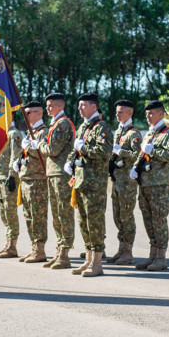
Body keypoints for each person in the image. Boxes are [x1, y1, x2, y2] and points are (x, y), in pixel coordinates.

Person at [24, 92, 75, 269]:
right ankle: (60, 250)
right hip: (53, 173)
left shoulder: (62, 124)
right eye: (47, 106)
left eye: (50, 105)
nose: (47, 109)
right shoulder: (55, 124)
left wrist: (38, 145)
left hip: (61, 174)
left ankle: (65, 253)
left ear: (60, 106)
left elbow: (52, 149)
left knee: (64, 214)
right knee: (57, 215)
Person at [64, 93, 113, 277]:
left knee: (95, 223)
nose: (79, 108)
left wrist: (83, 148)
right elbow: (76, 150)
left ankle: (97, 262)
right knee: (83, 222)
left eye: (83, 105)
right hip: (81, 180)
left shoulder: (101, 127)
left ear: (94, 107)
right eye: (79, 105)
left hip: (95, 183)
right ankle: (89, 260)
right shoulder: (85, 127)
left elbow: (104, 150)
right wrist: (70, 161)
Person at [130, 100, 169, 271]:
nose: (148, 116)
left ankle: (161, 257)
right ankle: (152, 255)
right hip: (145, 183)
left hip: (159, 184)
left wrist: (154, 151)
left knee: (159, 219)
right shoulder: (150, 134)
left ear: (161, 114)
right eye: (147, 114)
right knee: (148, 219)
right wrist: (134, 168)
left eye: (151, 113)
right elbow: (143, 153)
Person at [107, 100, 142, 265]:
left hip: (127, 182)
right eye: (116, 111)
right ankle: (121, 249)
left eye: (121, 111)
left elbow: (138, 156)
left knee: (126, 216)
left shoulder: (133, 134)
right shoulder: (119, 132)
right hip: (117, 181)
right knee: (118, 217)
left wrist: (121, 152)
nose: (117, 114)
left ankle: (128, 251)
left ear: (130, 113)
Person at [14, 101, 49, 263]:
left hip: (38, 179)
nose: (26, 116)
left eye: (29, 113)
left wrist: (31, 148)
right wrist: (19, 161)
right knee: (29, 215)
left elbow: (46, 155)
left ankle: (40, 249)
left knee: (38, 216)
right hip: (27, 178)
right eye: (25, 113)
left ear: (39, 113)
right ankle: (34, 246)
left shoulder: (43, 132)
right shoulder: (30, 132)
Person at [0, 119, 23, 258]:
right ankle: (7, 243)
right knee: (3, 212)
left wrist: (12, 174)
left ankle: (12, 246)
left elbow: (16, 155)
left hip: (8, 177)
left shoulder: (13, 134)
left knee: (10, 211)